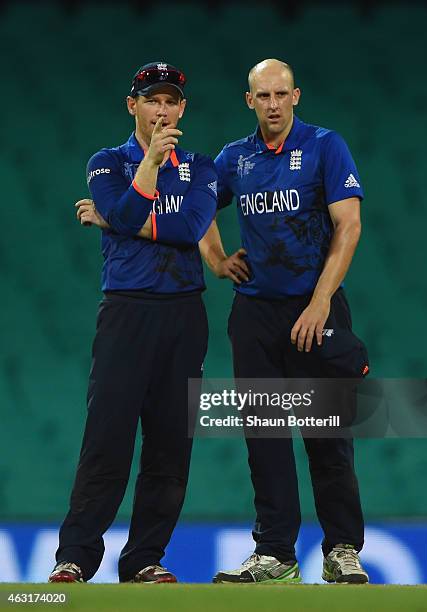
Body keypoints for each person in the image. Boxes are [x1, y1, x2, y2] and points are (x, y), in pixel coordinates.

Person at [200, 58, 370, 584]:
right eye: (262, 96)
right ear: (248, 101)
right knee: (265, 436)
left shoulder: (325, 146)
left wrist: (320, 302)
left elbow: (350, 225)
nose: (273, 104)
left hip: (313, 308)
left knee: (326, 435)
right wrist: (217, 259)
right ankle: (275, 553)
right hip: (255, 315)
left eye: (281, 94)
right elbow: (198, 208)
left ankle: (341, 549)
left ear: (296, 96)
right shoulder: (233, 158)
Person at [48, 62, 217, 584]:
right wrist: (147, 168)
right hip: (126, 311)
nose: (161, 110)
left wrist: (117, 219)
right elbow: (125, 214)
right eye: (151, 100)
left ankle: (144, 558)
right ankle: (74, 558)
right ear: (133, 106)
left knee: (170, 444)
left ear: (182, 108)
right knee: (107, 437)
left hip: (184, 314)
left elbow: (190, 229)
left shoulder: (201, 168)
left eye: (170, 101)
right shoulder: (106, 162)